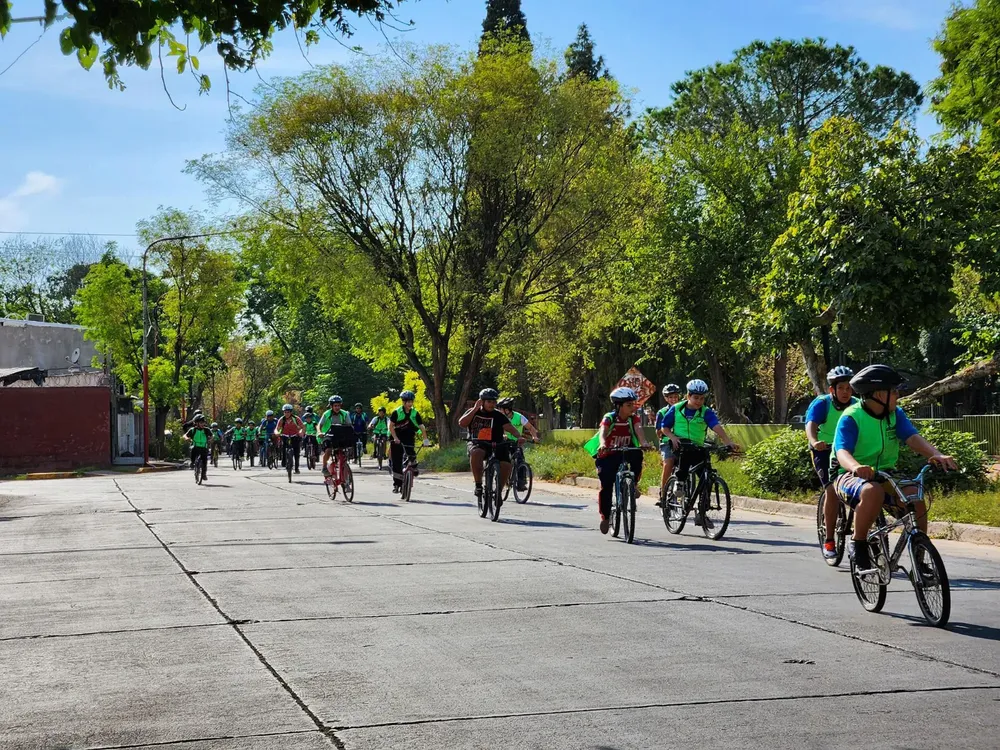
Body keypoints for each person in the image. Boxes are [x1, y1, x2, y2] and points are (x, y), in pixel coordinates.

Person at [833, 365, 957, 574]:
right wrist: (856, 467)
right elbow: (842, 451)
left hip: (886, 473)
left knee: (915, 497)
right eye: (894, 392)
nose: (898, 396)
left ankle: (919, 556)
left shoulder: (895, 414)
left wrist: (935, 454)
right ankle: (858, 542)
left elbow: (912, 437)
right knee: (872, 491)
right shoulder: (852, 416)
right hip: (849, 475)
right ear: (880, 394)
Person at [657, 379, 740, 525]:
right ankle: (679, 484)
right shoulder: (676, 409)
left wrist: (728, 442)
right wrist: (672, 437)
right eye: (696, 398)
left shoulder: (706, 412)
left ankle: (702, 512)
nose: (699, 401)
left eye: (702, 398)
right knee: (682, 464)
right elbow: (664, 427)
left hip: (698, 446)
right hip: (680, 445)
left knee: (705, 477)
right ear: (688, 396)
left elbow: (716, 426)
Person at [805, 366, 857, 559]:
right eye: (841, 388)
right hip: (824, 451)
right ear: (832, 390)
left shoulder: (857, 405)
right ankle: (829, 540)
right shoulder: (822, 403)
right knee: (832, 491)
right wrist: (814, 441)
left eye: (849, 388)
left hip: (848, 452)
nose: (845, 392)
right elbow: (811, 425)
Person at [585, 387, 653, 534]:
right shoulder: (609, 417)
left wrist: (644, 442)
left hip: (626, 450)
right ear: (618, 406)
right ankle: (605, 517)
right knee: (607, 486)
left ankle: (633, 485)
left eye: (633, 405)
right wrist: (603, 444)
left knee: (638, 455)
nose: (632, 408)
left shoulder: (633, 418)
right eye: (629, 405)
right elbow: (603, 431)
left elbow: (639, 429)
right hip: (608, 453)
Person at [458, 388, 525, 504]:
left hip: (497, 443)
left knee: (507, 465)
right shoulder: (473, 411)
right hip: (478, 442)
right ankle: (478, 485)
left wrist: (518, 436)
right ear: (482, 401)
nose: (491, 404)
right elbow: (462, 423)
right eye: (488, 402)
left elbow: (509, 427)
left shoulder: (498, 415)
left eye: (494, 402)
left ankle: (498, 490)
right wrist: (475, 409)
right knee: (476, 453)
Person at [497, 398, 541, 491]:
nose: (499, 410)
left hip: (517, 442)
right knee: (503, 460)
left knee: (521, 460)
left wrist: (534, 437)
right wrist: (502, 434)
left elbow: (530, 428)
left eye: (501, 409)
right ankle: (500, 477)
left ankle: (521, 482)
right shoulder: (499, 417)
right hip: (504, 442)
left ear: (507, 409)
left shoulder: (519, 417)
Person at [388, 391, 427, 493]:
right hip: (396, 437)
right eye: (408, 402)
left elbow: (421, 426)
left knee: (412, 455)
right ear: (403, 402)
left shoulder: (415, 413)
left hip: (409, 436)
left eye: (411, 401)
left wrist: (425, 439)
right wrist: (395, 438)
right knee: (396, 462)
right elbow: (391, 426)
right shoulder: (396, 412)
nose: (410, 404)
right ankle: (397, 484)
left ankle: (412, 467)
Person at [654, 383, 683, 506]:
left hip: (684, 442)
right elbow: (658, 432)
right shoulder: (662, 412)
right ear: (666, 398)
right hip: (667, 442)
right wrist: (668, 431)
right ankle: (663, 493)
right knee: (668, 463)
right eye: (670, 397)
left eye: (675, 397)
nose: (673, 399)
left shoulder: (684, 409)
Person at [319, 396, 352, 477]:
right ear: (331, 406)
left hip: (340, 436)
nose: (337, 407)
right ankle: (324, 467)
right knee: (329, 450)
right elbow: (320, 424)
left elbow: (349, 425)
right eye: (335, 406)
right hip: (328, 435)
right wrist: (320, 432)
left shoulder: (345, 413)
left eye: (338, 405)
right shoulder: (327, 414)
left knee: (344, 454)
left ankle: (345, 479)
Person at [276, 404, 305, 473]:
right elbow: (277, 429)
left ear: (291, 412)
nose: (286, 413)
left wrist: (301, 432)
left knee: (296, 452)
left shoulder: (296, 418)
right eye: (285, 412)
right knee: (283, 448)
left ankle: (296, 468)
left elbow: (303, 427)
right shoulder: (282, 419)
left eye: (288, 412)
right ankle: (284, 462)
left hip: (295, 436)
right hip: (285, 436)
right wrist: (277, 432)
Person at [183, 414, 213, 481]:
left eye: (203, 422)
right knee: (193, 450)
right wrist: (187, 438)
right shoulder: (193, 430)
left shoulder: (206, 430)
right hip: (195, 446)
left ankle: (204, 474)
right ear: (196, 423)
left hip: (204, 447)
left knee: (204, 461)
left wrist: (210, 439)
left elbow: (211, 435)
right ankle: (192, 462)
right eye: (201, 422)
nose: (203, 424)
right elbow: (185, 435)